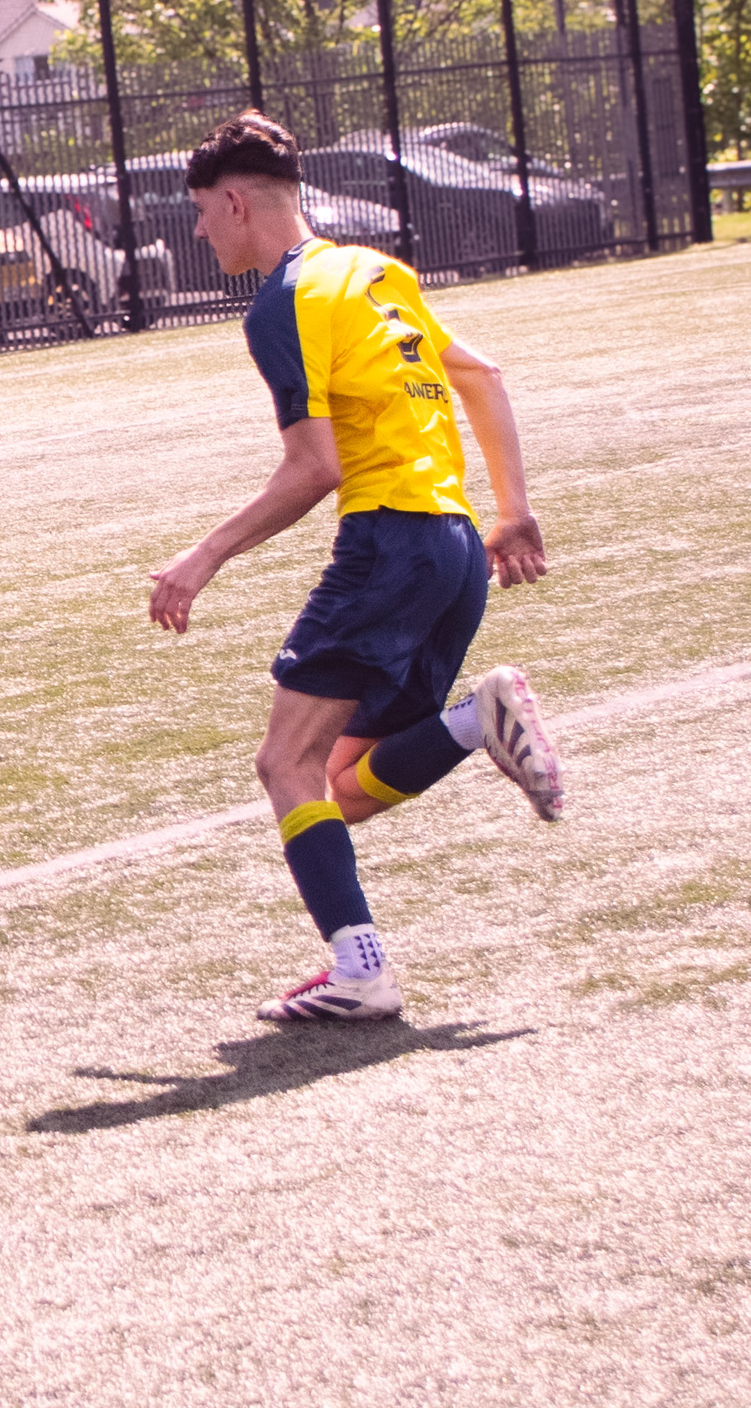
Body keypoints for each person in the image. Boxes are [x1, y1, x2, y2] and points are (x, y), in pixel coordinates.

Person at [147, 114, 565, 1024]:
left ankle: (361, 972)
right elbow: (483, 376)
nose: (199, 232)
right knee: (340, 784)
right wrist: (513, 512)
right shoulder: (377, 272)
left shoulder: (282, 303)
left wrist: (201, 557)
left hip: (386, 544)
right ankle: (473, 722)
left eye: (200, 214)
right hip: (452, 549)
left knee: (283, 762)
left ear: (234, 201)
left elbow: (315, 467)